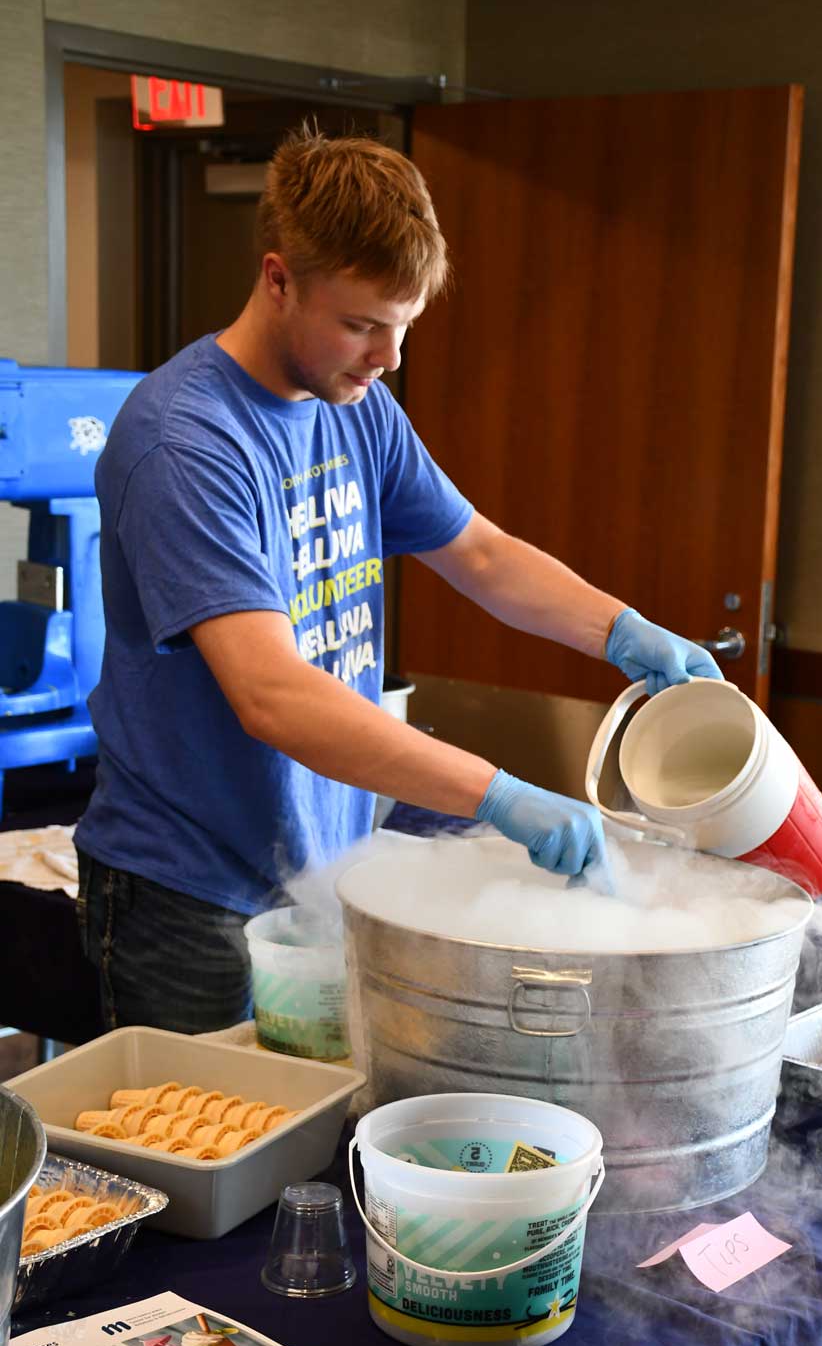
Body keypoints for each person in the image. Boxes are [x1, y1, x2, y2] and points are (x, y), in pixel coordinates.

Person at [74, 127, 721, 1034]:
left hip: (324, 868)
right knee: (211, 1159)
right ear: (277, 278)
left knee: (313, 1145)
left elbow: (483, 555)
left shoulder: (359, 406)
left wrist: (623, 631)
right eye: (360, 325)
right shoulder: (186, 442)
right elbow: (271, 695)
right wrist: (498, 795)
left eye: (403, 327)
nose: (389, 359)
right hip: (190, 897)